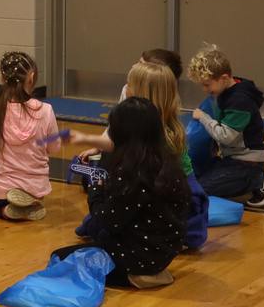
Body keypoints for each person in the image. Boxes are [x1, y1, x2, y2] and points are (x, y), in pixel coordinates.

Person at [51, 97, 190, 289]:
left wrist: (95, 187)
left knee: (60, 258)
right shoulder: (166, 161)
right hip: (164, 252)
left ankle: (135, 277)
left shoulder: (134, 174)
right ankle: (148, 273)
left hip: (138, 256)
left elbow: (105, 220)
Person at [71, 60, 208, 248]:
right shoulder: (167, 126)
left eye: (130, 85)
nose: (125, 89)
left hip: (167, 198)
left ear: (142, 95)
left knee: (102, 222)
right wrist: (90, 141)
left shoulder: (158, 135)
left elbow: (132, 169)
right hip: (168, 194)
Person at [188, 43, 264, 207]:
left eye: (207, 84)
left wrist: (204, 118)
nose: (204, 89)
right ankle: (239, 182)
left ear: (224, 78)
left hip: (247, 163)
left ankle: (258, 180)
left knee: (199, 190)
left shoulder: (240, 101)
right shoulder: (226, 92)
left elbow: (226, 137)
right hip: (232, 159)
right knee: (198, 182)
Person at [0, 51, 59, 221]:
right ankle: (29, 203)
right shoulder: (46, 111)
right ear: (32, 77)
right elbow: (54, 148)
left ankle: (5, 211)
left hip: (1, 188)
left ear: (3, 79)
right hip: (36, 187)